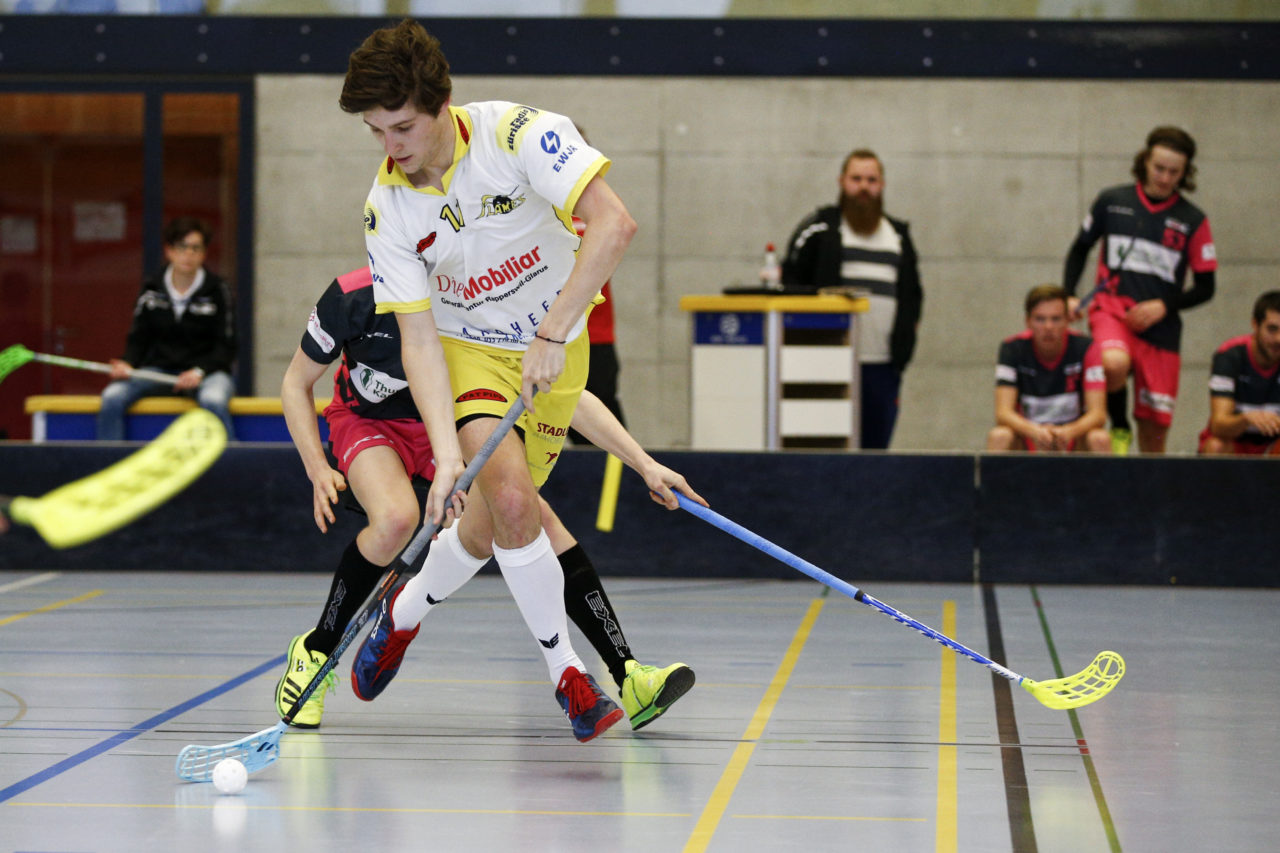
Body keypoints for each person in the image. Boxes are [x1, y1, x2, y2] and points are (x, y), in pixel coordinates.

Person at [340, 19, 642, 742]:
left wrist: (551, 332)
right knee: (510, 497)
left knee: (491, 524)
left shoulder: (519, 135)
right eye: (377, 131)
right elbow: (417, 337)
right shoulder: (387, 207)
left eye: (403, 127)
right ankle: (570, 676)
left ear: (442, 103)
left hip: (553, 349)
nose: (391, 148)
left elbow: (614, 225)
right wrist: (445, 457)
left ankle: (403, 612)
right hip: (468, 350)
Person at [274, 267, 700, 733]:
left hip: (448, 424)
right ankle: (316, 650)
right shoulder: (353, 296)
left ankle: (628, 676)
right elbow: (296, 384)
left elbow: (568, 397)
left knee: (530, 514)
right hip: (368, 423)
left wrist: (644, 463)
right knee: (397, 518)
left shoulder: (482, 302)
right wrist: (318, 469)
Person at [1063, 126, 1217, 455]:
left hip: (1160, 328)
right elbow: (1080, 249)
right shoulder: (1112, 201)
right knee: (1113, 362)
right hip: (1112, 309)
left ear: (1185, 172)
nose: (1164, 177)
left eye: (1174, 172)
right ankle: (1119, 424)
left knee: (1155, 433)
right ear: (1145, 161)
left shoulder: (1193, 220)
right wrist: (1068, 294)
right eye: (1159, 168)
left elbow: (1206, 287)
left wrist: (1164, 305)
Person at [780, 149, 923, 450]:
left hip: (882, 366)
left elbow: (913, 295)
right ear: (842, 182)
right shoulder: (819, 227)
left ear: (881, 185)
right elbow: (790, 281)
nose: (863, 187)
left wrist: (906, 340)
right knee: (826, 448)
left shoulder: (898, 235)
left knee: (876, 449)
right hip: (828, 363)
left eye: (871, 180)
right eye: (856, 178)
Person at [97, 217, 236, 441]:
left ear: (203, 254)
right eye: (182, 247)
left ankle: (232, 467)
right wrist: (127, 363)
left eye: (195, 248)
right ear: (169, 251)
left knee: (214, 400)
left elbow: (227, 345)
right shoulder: (151, 288)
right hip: (158, 370)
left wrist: (199, 371)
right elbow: (139, 336)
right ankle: (110, 463)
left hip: (207, 373)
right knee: (112, 396)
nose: (188, 254)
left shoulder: (219, 290)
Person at [987, 285, 1109, 453]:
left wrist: (1067, 432)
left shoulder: (1087, 348)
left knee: (1099, 438)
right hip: (1029, 437)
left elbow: (1098, 414)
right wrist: (1035, 432)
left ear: (1067, 320)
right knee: (999, 436)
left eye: (1056, 319)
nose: (1048, 327)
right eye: (1040, 319)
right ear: (1027, 321)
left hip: (1073, 439)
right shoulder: (1011, 349)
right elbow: (1003, 413)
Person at [1198, 290, 1280, 455]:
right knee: (1216, 447)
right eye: (1272, 329)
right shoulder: (1229, 357)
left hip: (1273, 448)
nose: (1279, 339)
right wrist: (1246, 419)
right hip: (1233, 445)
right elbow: (1219, 426)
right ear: (1255, 325)